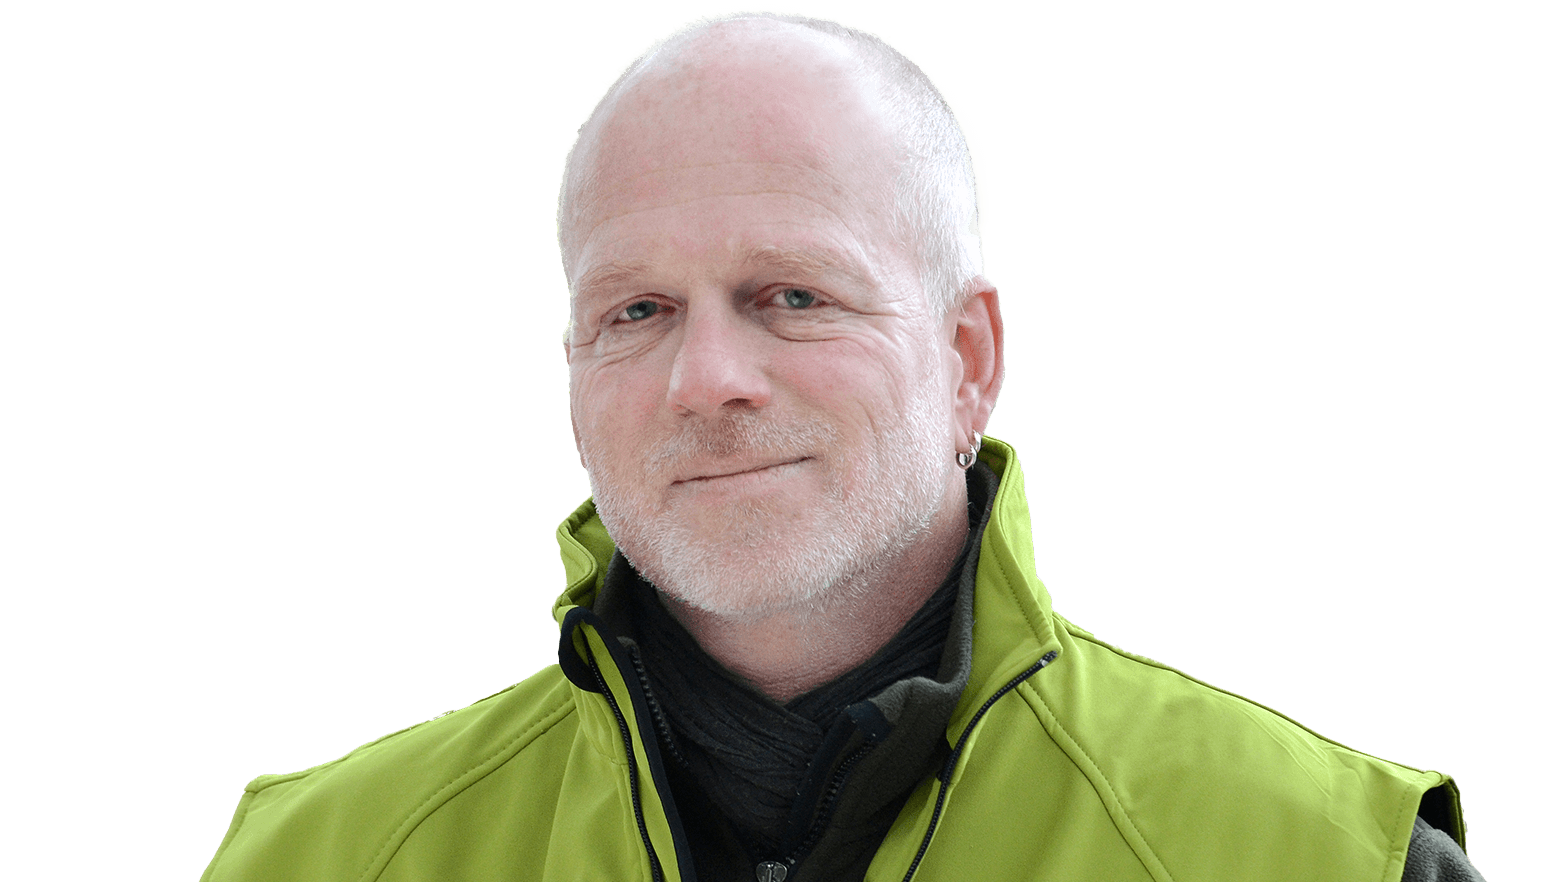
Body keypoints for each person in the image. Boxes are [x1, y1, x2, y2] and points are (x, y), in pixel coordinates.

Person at [201, 9, 1483, 881]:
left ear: (967, 358)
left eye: (793, 296)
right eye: (636, 311)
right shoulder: (316, 858)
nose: (705, 380)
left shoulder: (1320, 857)